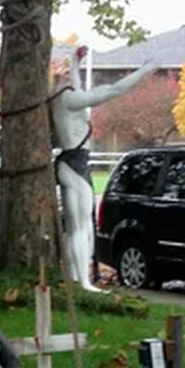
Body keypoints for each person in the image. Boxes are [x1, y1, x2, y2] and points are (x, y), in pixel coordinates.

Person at [50, 46, 156, 289]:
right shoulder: (69, 99)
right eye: (66, 74)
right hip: (74, 164)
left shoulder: (62, 98)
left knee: (77, 226)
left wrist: (76, 63)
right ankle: (84, 281)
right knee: (80, 227)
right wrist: (144, 71)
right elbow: (114, 90)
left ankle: (76, 277)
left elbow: (76, 83)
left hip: (73, 163)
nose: (70, 76)